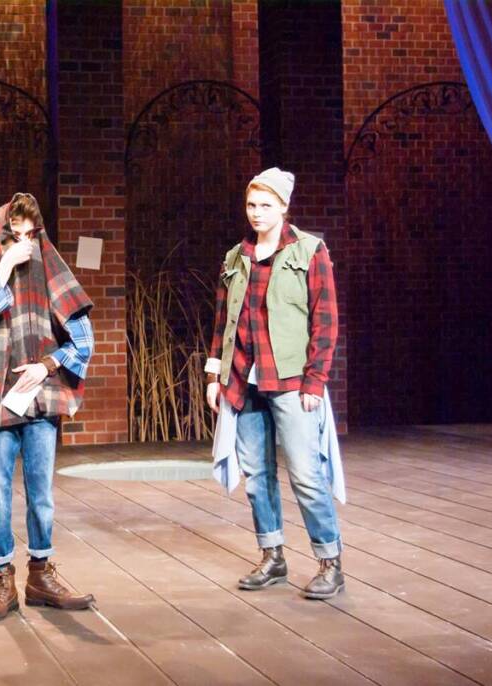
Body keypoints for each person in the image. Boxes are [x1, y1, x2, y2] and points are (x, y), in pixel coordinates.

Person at [0, 192, 96, 621]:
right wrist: (4, 266)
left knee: (41, 494)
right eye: (15, 236)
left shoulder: (50, 270)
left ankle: (41, 575)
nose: (25, 243)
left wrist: (47, 365)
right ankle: (4, 580)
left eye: (31, 234)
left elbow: (85, 339)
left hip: (39, 396)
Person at [205, 168, 345, 599]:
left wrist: (314, 382)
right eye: (252, 205)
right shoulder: (236, 257)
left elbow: (325, 321)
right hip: (243, 381)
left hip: (289, 381)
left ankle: (329, 561)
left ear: (284, 207)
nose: (258, 213)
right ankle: (273, 556)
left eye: (266, 205)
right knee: (257, 475)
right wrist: (214, 375)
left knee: (305, 472)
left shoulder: (309, 251)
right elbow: (221, 322)